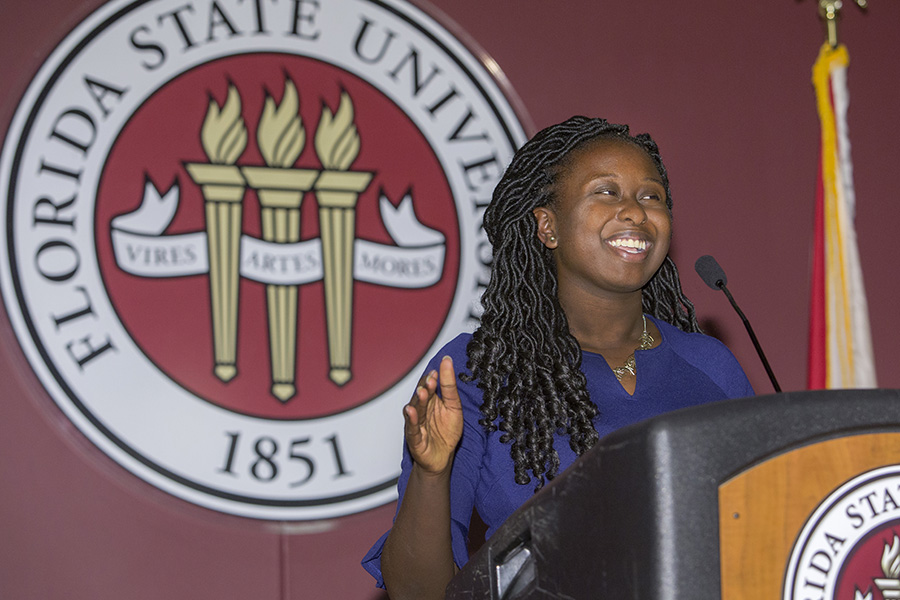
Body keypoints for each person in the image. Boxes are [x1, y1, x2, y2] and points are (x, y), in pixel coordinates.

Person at [361, 116, 754, 599]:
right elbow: (417, 591)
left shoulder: (711, 365)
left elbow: (757, 543)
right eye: (606, 192)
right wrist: (431, 472)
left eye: (651, 196)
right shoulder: (478, 369)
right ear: (548, 226)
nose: (634, 211)